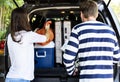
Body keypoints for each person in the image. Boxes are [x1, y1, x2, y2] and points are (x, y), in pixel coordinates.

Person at [63, 0, 120, 82]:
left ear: (81, 14)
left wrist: (72, 71)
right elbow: (116, 58)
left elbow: (67, 58)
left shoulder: (78, 29)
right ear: (96, 14)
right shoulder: (110, 30)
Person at [5, 7, 49, 82]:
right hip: (22, 79)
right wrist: (47, 28)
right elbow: (46, 38)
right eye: (27, 16)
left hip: (10, 77)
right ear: (24, 19)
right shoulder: (29, 35)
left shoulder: (9, 37)